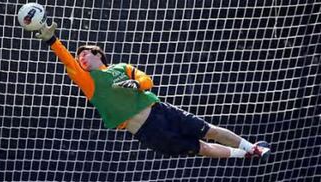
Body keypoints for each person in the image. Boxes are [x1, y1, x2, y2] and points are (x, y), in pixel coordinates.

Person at [34, 22, 271, 160]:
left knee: (210, 130)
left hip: (162, 110)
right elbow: (66, 60)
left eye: (85, 53)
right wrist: (52, 41)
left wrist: (138, 84)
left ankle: (253, 148)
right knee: (203, 148)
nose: (80, 57)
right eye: (79, 56)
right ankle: (243, 155)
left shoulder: (121, 68)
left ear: (98, 55)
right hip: (148, 131)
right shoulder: (87, 80)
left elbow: (145, 78)